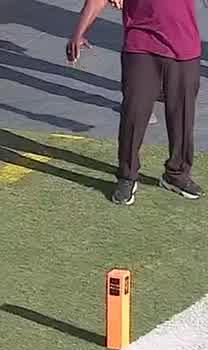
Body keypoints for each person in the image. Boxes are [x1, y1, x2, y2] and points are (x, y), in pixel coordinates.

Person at [68, 0, 201, 204]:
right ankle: (127, 176)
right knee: (134, 114)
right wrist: (78, 32)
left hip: (184, 47)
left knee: (183, 115)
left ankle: (177, 175)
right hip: (141, 45)